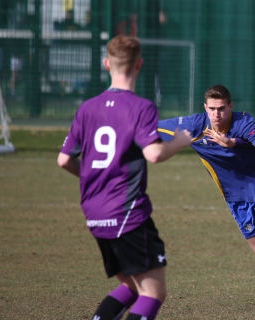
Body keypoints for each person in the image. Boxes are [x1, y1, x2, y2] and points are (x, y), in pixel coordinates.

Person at [57, 34, 193, 320]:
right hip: (126, 211)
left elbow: (64, 159)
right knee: (153, 293)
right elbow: (154, 154)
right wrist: (179, 142)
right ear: (139, 65)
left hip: (93, 210)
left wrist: (93, 178)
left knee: (130, 286)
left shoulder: (87, 108)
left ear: (106, 63)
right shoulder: (140, 107)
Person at [157, 84, 255, 310]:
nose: (217, 114)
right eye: (212, 109)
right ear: (205, 108)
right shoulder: (194, 126)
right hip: (236, 198)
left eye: (221, 108)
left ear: (230, 106)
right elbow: (149, 127)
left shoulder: (243, 123)